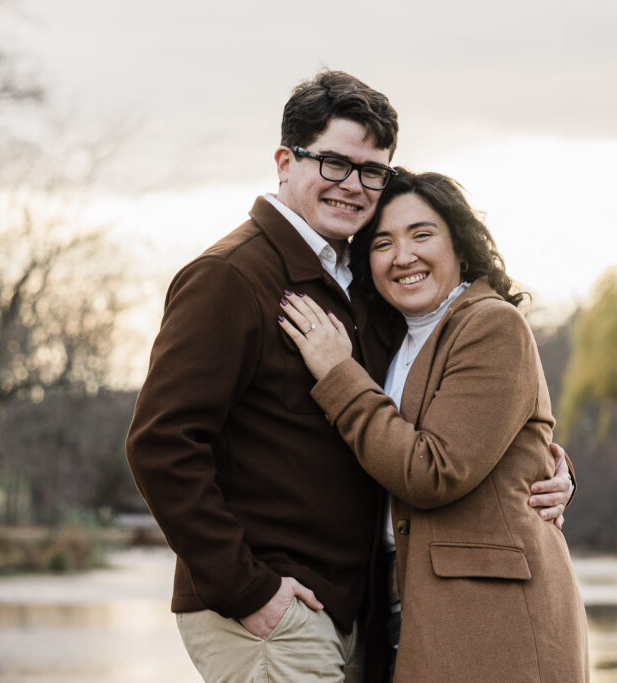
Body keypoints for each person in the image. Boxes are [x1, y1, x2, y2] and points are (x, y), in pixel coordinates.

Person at [126, 71, 576, 682]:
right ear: (285, 162)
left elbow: (433, 423)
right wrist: (246, 588)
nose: (353, 186)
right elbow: (161, 443)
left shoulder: (362, 287)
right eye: (334, 163)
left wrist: (545, 466)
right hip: (274, 605)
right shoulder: (230, 276)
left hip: (359, 607)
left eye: (371, 171)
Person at [277, 169, 589, 682]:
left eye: (421, 234)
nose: (404, 256)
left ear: (460, 245)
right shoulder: (389, 339)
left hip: (493, 618)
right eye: (383, 243)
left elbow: (434, 471)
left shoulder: (492, 324)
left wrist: (337, 374)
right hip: (403, 603)